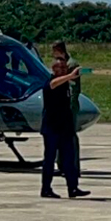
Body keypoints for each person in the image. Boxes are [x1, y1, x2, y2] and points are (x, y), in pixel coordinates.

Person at [41, 59, 90, 199]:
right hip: (52, 128)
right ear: (53, 69)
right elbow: (53, 84)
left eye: (65, 67)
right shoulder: (50, 82)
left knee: (69, 158)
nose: (63, 69)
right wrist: (70, 76)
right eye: (60, 67)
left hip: (65, 128)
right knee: (49, 159)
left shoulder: (66, 85)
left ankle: (73, 187)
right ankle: (46, 188)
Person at [52, 41, 82, 174]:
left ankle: (73, 166)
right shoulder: (59, 63)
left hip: (69, 105)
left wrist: (69, 105)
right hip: (60, 105)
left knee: (70, 135)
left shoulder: (72, 64)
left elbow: (73, 88)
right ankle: (61, 165)